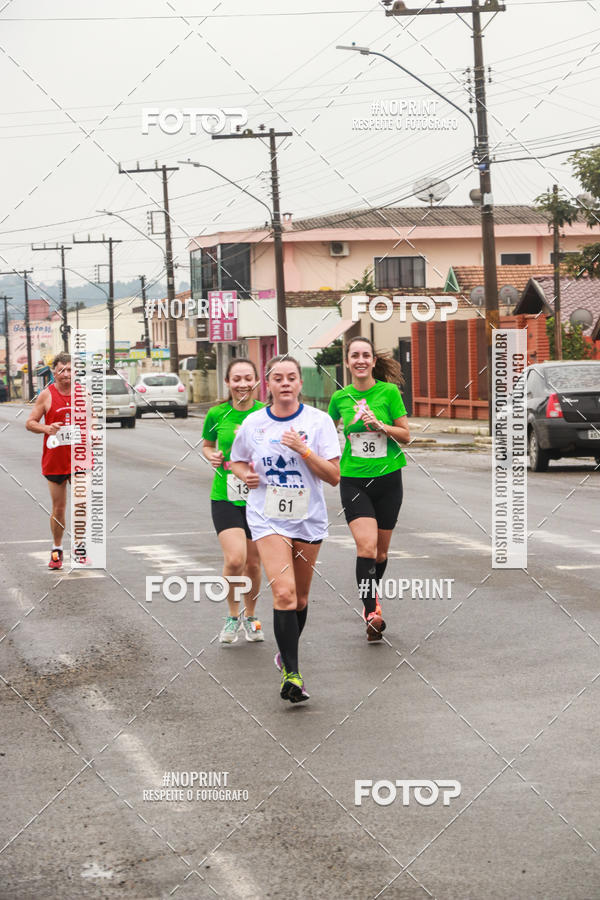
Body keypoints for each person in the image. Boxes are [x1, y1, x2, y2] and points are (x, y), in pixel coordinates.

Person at [230, 355, 340, 703]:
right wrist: (242, 473)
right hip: (267, 516)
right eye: (278, 378)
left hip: (308, 517)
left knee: (301, 599)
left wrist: (304, 450)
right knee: (285, 595)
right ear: (269, 384)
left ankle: (285, 653)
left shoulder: (318, 422)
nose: (286, 383)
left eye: (292, 377)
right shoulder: (253, 423)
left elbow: (334, 476)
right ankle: (292, 674)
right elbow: (236, 458)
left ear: (300, 383)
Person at [328, 337, 410, 642]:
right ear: (347, 362)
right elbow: (323, 433)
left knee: (380, 553)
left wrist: (381, 426)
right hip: (354, 480)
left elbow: (406, 436)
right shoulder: (340, 398)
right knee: (366, 548)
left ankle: (370, 592)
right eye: (354, 356)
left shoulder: (388, 392)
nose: (360, 360)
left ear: (373, 361)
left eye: (365, 355)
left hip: (389, 479)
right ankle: (372, 611)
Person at [202, 359, 265, 644]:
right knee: (235, 559)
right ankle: (232, 615)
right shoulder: (217, 413)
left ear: (255, 381)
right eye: (236, 378)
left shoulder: (265, 413)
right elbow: (207, 445)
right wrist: (212, 456)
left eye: (247, 378)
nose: (242, 384)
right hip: (225, 495)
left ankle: (251, 617)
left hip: (260, 497)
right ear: (227, 382)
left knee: (253, 564)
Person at [26, 352, 75, 569]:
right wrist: (47, 428)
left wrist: (91, 432)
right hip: (55, 458)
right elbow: (30, 422)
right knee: (59, 508)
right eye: (62, 369)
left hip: (80, 458)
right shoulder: (46, 395)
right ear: (54, 372)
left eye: (70, 369)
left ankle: (81, 549)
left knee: (83, 506)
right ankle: (57, 550)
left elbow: (93, 424)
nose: (66, 373)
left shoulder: (84, 395)